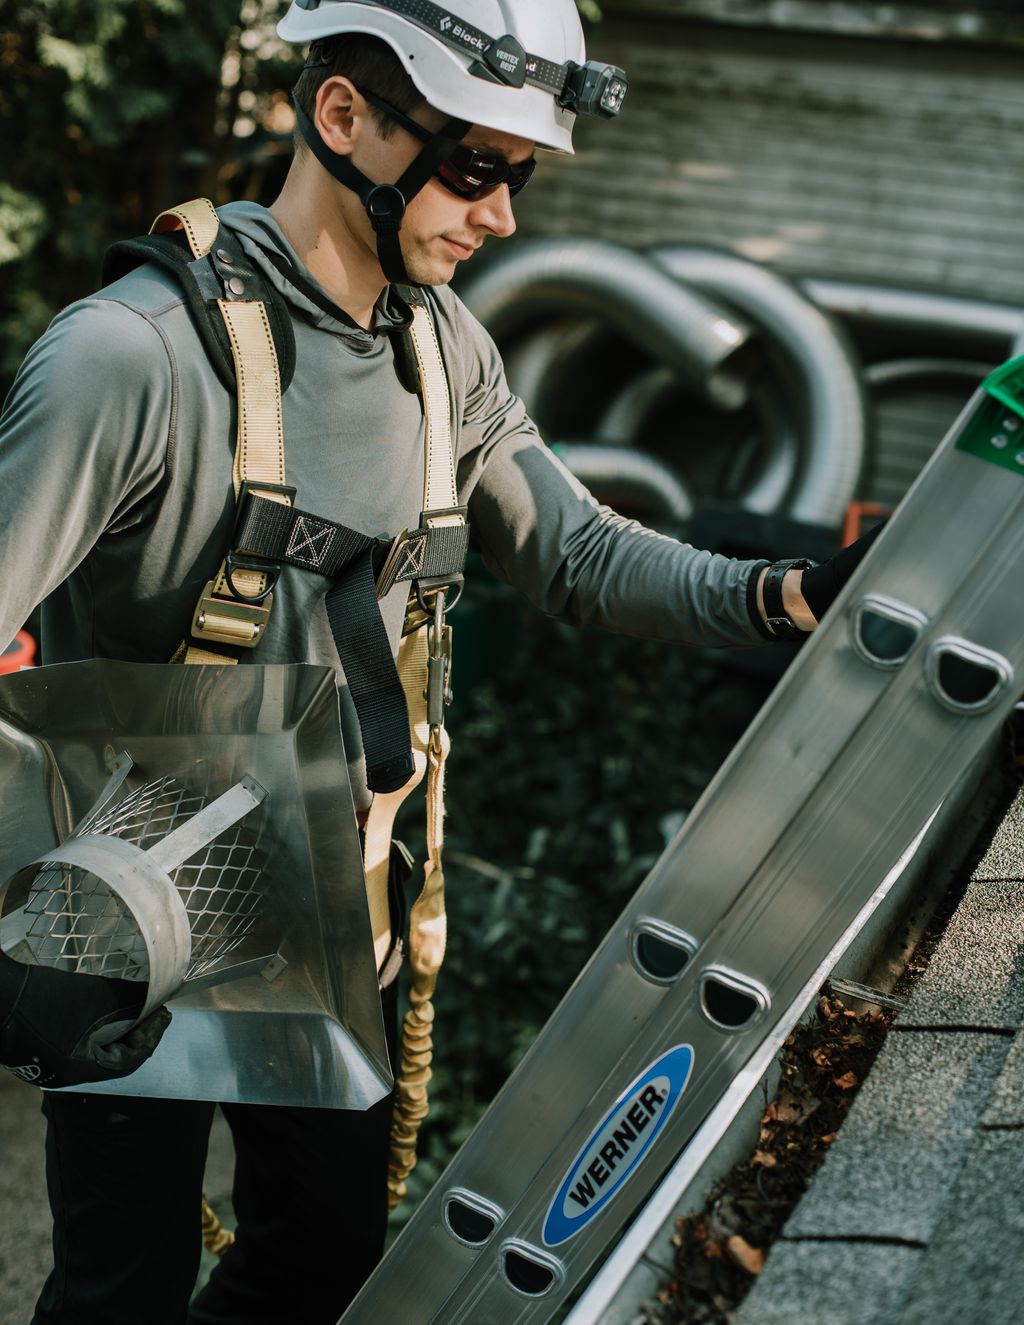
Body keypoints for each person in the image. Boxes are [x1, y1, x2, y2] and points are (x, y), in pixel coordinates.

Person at [0, 2, 869, 1321]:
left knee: (320, 1257)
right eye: (474, 167)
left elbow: (577, 553)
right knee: (122, 1286)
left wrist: (784, 593)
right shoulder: (127, 360)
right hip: (136, 905)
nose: (503, 215)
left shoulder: (440, 347)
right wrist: (29, 918)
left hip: (340, 895)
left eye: (517, 175)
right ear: (340, 115)